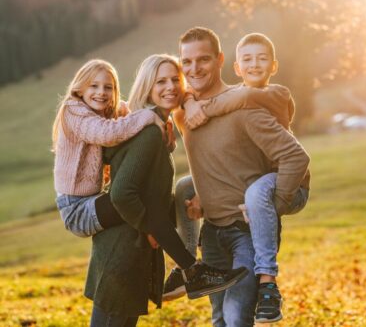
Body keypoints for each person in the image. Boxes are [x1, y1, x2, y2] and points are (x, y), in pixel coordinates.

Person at [84, 54, 248, 326]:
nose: (170, 86)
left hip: (134, 249)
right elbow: (122, 194)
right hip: (122, 251)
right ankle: (193, 271)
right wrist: (152, 228)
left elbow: (149, 195)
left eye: (175, 79)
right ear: (147, 87)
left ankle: (192, 271)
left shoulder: (159, 127)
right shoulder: (147, 132)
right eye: (161, 81)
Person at [165, 32, 311, 323]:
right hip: (211, 233)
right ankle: (186, 268)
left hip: (246, 233)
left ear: (220, 60)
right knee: (219, 317)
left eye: (203, 60)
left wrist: (276, 205)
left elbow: (295, 158)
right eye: (187, 62)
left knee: (235, 318)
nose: (194, 69)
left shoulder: (244, 106)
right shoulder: (183, 114)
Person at [52, 59, 165, 238]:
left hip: (95, 198)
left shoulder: (107, 108)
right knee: (137, 201)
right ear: (80, 88)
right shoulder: (73, 109)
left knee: (151, 198)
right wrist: (149, 116)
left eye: (108, 87)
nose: (101, 93)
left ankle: (178, 233)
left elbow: (135, 112)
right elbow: (107, 133)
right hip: (76, 209)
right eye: (94, 86)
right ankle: (177, 249)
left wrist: (164, 116)